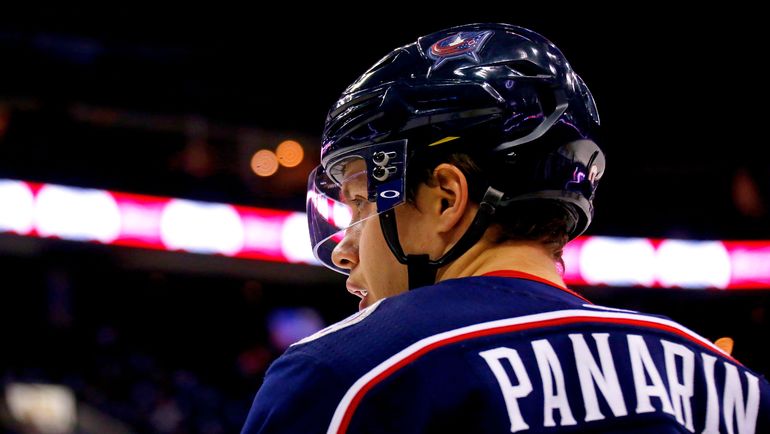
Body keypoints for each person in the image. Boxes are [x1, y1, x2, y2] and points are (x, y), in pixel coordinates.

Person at [242, 23, 770, 433]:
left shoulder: (345, 373)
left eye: (361, 201)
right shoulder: (728, 384)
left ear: (446, 198)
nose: (345, 249)